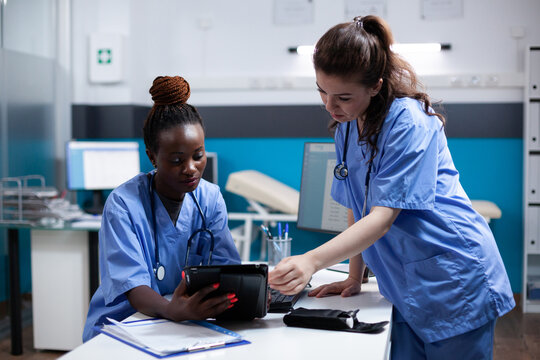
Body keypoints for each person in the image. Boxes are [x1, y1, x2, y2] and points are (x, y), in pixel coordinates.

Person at [268, 15, 514, 359]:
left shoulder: (410, 122)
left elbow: (382, 216)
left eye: (343, 97)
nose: (329, 105)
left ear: (375, 85)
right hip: (405, 282)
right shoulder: (347, 127)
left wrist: (311, 261)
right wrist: (355, 276)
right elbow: (357, 206)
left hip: (452, 275)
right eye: (322, 91)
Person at [83, 76, 241, 341]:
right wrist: (172, 309)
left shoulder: (210, 198)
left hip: (183, 323)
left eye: (198, 156)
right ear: (152, 156)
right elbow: (133, 287)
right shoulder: (123, 205)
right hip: (125, 325)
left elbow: (226, 267)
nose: (191, 168)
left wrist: (249, 295)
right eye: (177, 160)